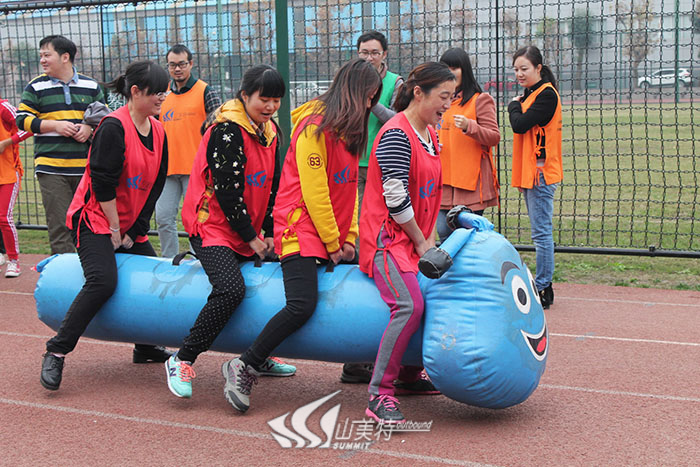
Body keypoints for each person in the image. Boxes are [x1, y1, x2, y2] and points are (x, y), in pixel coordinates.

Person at [219, 59, 382, 413]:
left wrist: (350, 237)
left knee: (369, 272)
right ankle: (245, 364)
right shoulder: (313, 127)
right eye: (369, 96)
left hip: (330, 234)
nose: (371, 104)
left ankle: (357, 362)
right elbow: (314, 190)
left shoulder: (351, 131)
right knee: (301, 305)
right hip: (299, 229)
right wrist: (334, 242)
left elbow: (349, 190)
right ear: (354, 92)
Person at [164, 65, 296, 399]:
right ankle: (183, 358)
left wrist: (270, 232)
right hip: (211, 228)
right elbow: (227, 193)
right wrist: (252, 237)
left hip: (244, 230)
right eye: (263, 99)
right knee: (231, 289)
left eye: (276, 100)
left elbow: (273, 187)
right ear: (245, 95)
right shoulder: (227, 131)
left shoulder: (270, 131)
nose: (270, 106)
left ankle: (256, 356)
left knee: (279, 279)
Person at [40, 61, 172, 391]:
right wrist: (114, 230)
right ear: (136, 92)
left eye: (165, 92)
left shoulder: (159, 131)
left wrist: (135, 229)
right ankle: (56, 350)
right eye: (157, 92)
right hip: (94, 219)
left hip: (128, 223)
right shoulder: (113, 127)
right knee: (102, 282)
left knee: (153, 278)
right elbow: (102, 184)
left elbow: (156, 185)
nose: (162, 98)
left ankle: (145, 346)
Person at [359, 62, 456, 424]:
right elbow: (396, 199)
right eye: (443, 96)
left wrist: (428, 238)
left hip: (415, 240)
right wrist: (421, 242)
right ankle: (379, 394)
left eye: (451, 97)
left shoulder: (430, 134)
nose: (447, 104)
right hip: (387, 242)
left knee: (433, 299)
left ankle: (409, 374)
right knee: (409, 305)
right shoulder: (396, 135)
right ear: (419, 93)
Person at [341, 30, 405, 385]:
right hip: (351, 166)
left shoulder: (395, 83)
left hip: (380, 169)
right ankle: (354, 357)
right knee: (352, 242)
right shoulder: (350, 79)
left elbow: (398, 117)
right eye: (363, 52)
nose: (368, 57)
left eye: (374, 52)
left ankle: (365, 354)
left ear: (385, 54)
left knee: (373, 243)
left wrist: (370, 103)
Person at [16, 35, 105, 254]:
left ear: (65, 57)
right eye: (41, 56)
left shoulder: (91, 86)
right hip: (51, 168)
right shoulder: (35, 87)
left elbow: (105, 120)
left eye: (47, 55)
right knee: (60, 226)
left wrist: (89, 128)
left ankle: (91, 269)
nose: (42, 60)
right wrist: (54, 126)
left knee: (89, 224)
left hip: (86, 168)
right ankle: (63, 271)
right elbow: (22, 119)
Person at [508, 45, 562, 310]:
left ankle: (543, 287)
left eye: (524, 69)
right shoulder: (530, 94)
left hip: (542, 173)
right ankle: (543, 284)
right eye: (516, 69)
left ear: (538, 68)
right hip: (533, 172)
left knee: (541, 234)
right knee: (539, 233)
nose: (519, 74)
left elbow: (519, 124)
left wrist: (512, 106)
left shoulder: (546, 95)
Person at [156, 44, 221, 258]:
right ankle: (169, 261)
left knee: (195, 220)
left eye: (182, 64)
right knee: (163, 218)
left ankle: (197, 261)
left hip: (196, 170)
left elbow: (219, 127)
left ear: (190, 64)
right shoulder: (162, 94)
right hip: (167, 169)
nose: (177, 69)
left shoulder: (205, 92)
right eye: (172, 65)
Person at [436, 48, 501, 243]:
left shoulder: (480, 100)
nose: (450, 73)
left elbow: (493, 137)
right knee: (443, 230)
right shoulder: (438, 102)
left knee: (468, 237)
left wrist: (469, 126)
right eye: (445, 68)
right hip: (443, 181)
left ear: (464, 70)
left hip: (470, 183)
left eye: (454, 68)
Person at [0, 99, 31, 277]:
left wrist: (7, 142)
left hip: (8, 173)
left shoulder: (4, 108)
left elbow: (29, 127)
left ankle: (14, 260)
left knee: (4, 217)